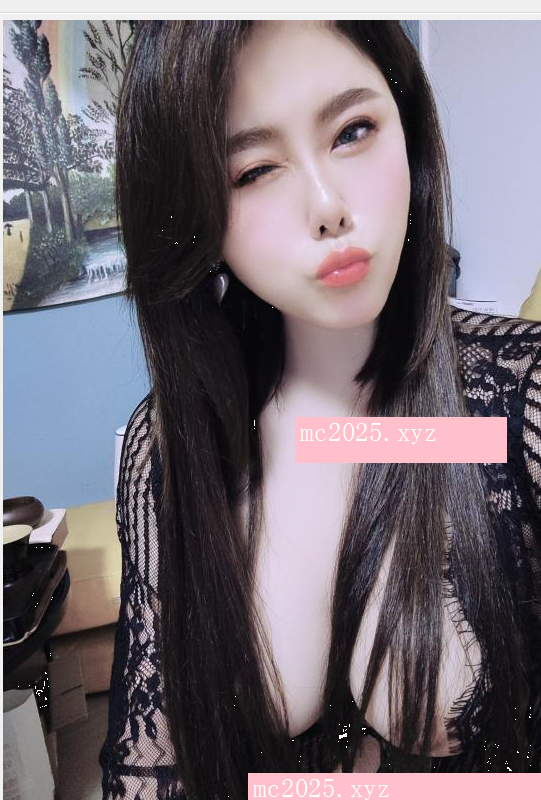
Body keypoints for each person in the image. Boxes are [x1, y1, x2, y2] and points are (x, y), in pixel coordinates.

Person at [99, 21, 541, 799]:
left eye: (353, 131)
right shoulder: (171, 443)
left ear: (407, 122)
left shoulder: (517, 399)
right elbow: (149, 770)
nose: (328, 207)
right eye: (252, 171)